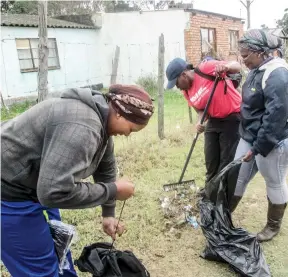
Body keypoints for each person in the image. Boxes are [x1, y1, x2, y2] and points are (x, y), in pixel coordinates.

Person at [1, 85, 154, 276]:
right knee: (40, 271)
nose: (127, 134)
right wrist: (112, 190)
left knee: (60, 255)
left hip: (34, 184)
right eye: (131, 129)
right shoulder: (83, 126)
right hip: (8, 194)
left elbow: (105, 167)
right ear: (120, 114)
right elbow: (53, 192)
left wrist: (108, 213)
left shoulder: (101, 118)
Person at [230, 29, 288, 242]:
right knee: (238, 177)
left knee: (274, 181)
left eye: (245, 56)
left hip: (277, 140)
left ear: (261, 52)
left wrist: (257, 148)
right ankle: (224, 215)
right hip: (251, 135)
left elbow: (275, 119)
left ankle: (272, 227)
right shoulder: (257, 69)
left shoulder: (277, 74)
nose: (243, 61)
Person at [165, 57, 242, 185]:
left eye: (176, 83)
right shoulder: (186, 92)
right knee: (211, 161)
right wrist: (199, 122)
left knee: (225, 162)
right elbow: (201, 111)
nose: (177, 87)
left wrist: (226, 67)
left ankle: (221, 198)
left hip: (232, 117)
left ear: (183, 74)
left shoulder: (205, 68)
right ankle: (209, 193)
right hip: (213, 120)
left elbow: (237, 66)